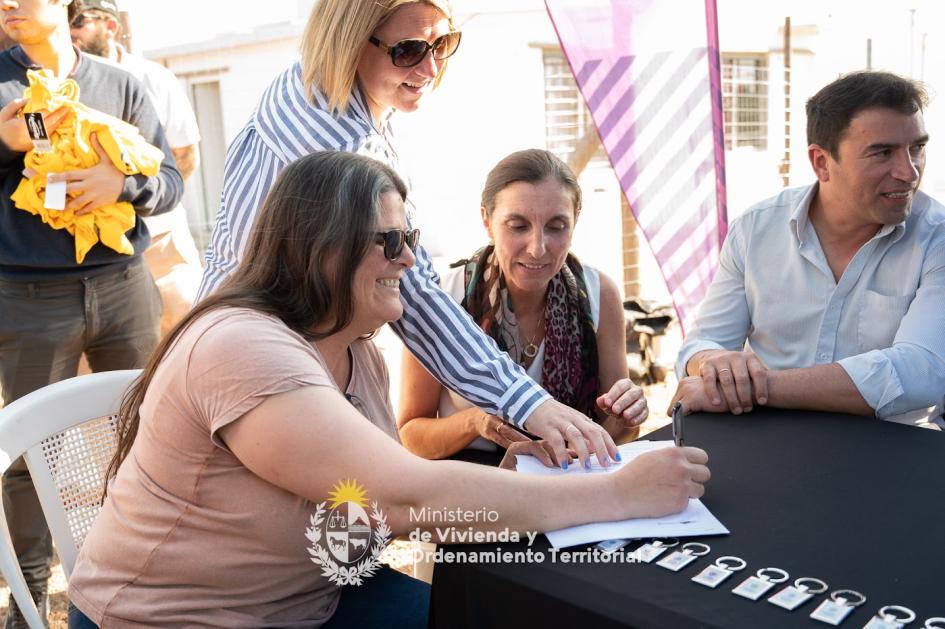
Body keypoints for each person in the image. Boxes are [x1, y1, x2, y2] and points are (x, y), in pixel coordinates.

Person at [66, 151, 711, 629]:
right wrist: (614, 494)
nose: (410, 261)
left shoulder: (354, 349)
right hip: (175, 619)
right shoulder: (242, 346)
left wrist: (523, 480)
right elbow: (402, 495)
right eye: (394, 242)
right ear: (324, 248)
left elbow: (371, 508)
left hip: (312, 597)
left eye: (413, 241)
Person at [196, 0, 636, 470]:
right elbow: (419, 300)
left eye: (442, 44)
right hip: (262, 370)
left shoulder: (314, 88)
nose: (429, 67)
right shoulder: (345, 148)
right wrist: (531, 406)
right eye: (407, 50)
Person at [0, 0, 182, 625]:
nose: (6, 5)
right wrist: (4, 144)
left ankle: (150, 593)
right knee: (28, 456)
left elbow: (172, 181)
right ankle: (27, 610)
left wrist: (121, 185)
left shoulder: (122, 84)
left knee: (149, 437)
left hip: (123, 286)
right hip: (27, 300)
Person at [670, 71, 945, 428]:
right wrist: (715, 363)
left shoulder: (936, 238)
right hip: (769, 443)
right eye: (882, 153)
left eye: (917, 148)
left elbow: (921, 373)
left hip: (898, 450)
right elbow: (702, 343)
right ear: (821, 162)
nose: (909, 172)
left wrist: (759, 387)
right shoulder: (755, 230)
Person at [398, 149, 646, 463]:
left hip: (567, 475)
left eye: (556, 227)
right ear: (487, 222)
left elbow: (614, 435)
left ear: (575, 221)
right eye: (518, 226)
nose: (537, 248)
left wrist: (627, 415)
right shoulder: (440, 298)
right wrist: (477, 422)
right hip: (474, 483)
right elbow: (411, 435)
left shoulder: (600, 294)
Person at [70, 0, 203, 337]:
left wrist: (143, 203)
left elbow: (184, 157)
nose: (69, 28)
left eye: (79, 20)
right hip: (97, 251)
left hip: (161, 239)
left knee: (186, 335)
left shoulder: (153, 78)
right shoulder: (61, 83)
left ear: (110, 26)